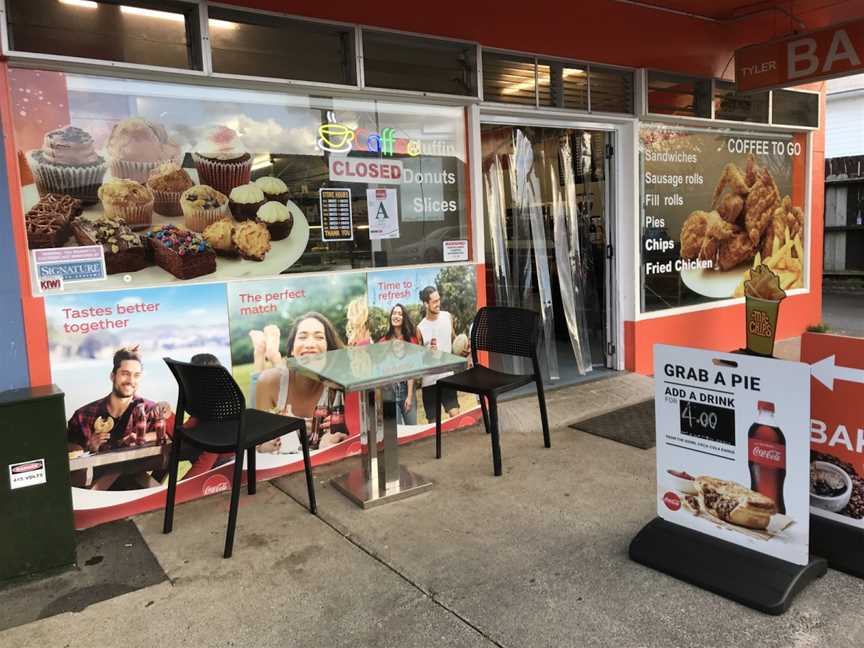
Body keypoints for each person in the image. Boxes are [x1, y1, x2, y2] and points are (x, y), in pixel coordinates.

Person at [67, 346, 173, 490]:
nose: (131, 380)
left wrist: (141, 438)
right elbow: (70, 452)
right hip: (92, 488)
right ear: (113, 376)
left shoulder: (147, 409)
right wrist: (89, 446)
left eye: (136, 375)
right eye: (125, 374)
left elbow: (167, 433)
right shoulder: (84, 415)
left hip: (132, 485)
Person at [254, 312, 349, 451]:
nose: (310, 344)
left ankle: (272, 354)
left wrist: (340, 434)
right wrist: (264, 446)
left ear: (329, 349)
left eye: (319, 337)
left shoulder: (340, 384)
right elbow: (257, 442)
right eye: (303, 337)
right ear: (292, 349)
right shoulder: (268, 383)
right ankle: (268, 353)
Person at [416, 286, 460, 421]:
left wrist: (462, 347)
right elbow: (419, 359)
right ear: (426, 304)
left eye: (438, 300)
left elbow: (454, 339)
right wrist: (429, 354)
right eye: (434, 301)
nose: (438, 304)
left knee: (456, 416)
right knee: (434, 424)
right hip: (429, 382)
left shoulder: (447, 317)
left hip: (447, 376)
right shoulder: (420, 328)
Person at [378, 303, 420, 426]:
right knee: (396, 431)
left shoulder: (411, 340)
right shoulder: (383, 342)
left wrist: (410, 395)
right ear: (391, 317)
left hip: (407, 389)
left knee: (412, 429)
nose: (396, 316)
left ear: (404, 318)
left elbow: (412, 368)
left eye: (400, 314)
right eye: (394, 313)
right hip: (389, 391)